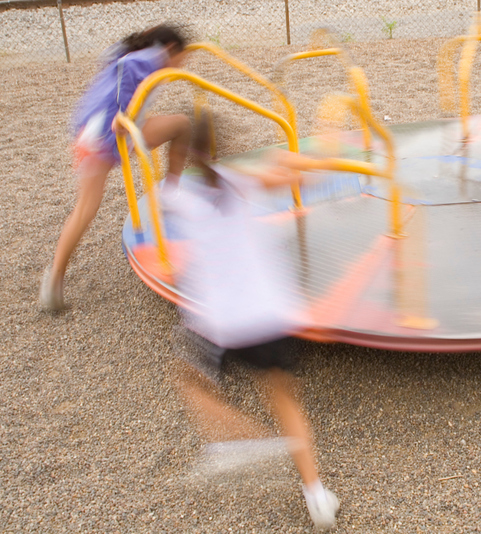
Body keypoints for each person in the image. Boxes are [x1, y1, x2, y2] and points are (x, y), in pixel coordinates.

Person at [168, 113, 340, 531]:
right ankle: (317, 496)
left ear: (182, 155)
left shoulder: (177, 196)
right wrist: (319, 158)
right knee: (284, 399)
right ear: (219, 146)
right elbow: (292, 175)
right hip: (267, 314)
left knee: (190, 383)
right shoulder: (237, 180)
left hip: (220, 323)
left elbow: (167, 179)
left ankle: (243, 440)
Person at [40, 24, 192, 310]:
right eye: (181, 59)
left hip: (91, 133)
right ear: (171, 49)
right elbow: (127, 69)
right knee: (183, 125)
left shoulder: (130, 53)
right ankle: (169, 194)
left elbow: (115, 70)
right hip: (107, 134)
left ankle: (54, 280)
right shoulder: (151, 57)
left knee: (85, 208)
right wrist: (122, 113)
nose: (180, 66)